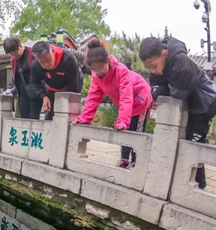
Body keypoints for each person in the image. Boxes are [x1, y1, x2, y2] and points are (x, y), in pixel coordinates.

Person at [139, 36, 216, 189]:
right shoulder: (157, 64)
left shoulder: (181, 62)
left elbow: (178, 93)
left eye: (154, 66)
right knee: (183, 143)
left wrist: (163, 88)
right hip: (188, 107)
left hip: (203, 105)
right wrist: (164, 87)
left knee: (193, 145)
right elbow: (155, 91)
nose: (153, 71)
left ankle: (198, 186)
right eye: (149, 69)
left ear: (164, 54)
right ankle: (188, 183)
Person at [73, 39, 152, 169]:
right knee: (124, 131)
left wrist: (122, 120)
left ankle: (136, 161)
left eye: (102, 68)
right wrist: (84, 119)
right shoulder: (96, 75)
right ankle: (124, 159)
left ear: (108, 61)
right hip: (124, 103)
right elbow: (93, 97)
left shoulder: (122, 71)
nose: (99, 72)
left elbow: (126, 97)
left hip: (140, 99)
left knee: (135, 130)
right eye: (95, 69)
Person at [28, 41, 83, 120]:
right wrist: (44, 96)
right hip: (52, 89)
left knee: (68, 115)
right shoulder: (35, 65)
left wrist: (68, 102)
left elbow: (74, 85)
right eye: (42, 62)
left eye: (48, 59)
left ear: (52, 51)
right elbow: (34, 82)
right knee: (51, 115)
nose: (47, 64)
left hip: (71, 86)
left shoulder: (67, 58)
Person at [3, 36, 42, 119]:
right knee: (23, 118)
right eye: (11, 53)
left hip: (35, 91)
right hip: (22, 93)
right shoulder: (14, 60)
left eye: (14, 52)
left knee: (33, 118)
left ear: (20, 46)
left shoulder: (33, 53)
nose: (13, 55)